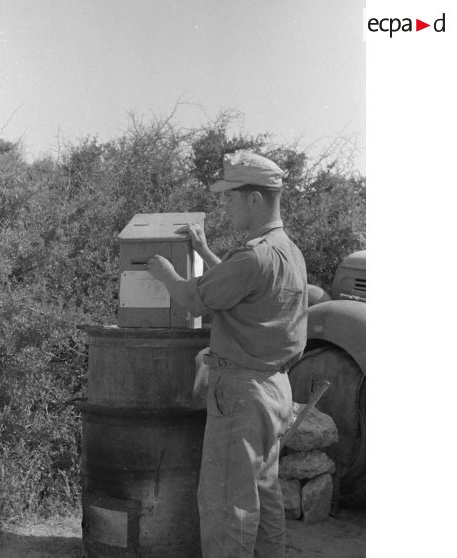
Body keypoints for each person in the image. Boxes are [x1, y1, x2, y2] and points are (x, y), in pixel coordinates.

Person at [146, 150, 308, 558]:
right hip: (274, 390)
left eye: (231, 196)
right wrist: (202, 251)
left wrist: (162, 269)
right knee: (263, 495)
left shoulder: (253, 256)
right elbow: (237, 287)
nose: (226, 204)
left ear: (254, 199)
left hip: (240, 392)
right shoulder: (285, 251)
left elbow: (196, 301)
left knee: (226, 506)